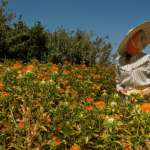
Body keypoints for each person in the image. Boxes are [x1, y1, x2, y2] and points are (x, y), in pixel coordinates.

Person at [115, 21, 150, 149]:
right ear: (132, 40)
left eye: (145, 38)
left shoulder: (148, 59)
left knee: (143, 134)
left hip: (144, 100)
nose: (145, 41)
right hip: (125, 101)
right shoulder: (119, 61)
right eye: (141, 38)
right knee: (127, 132)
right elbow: (118, 82)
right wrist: (120, 90)